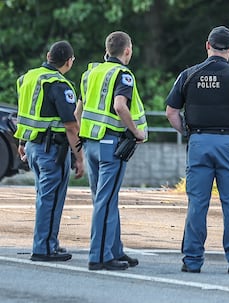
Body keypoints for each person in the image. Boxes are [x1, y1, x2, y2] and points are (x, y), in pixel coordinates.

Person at [165, 25, 229, 274]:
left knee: (197, 203)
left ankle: (192, 261)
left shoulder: (188, 75)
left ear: (207, 45)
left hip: (198, 142)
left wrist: (188, 133)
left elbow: (171, 112)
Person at [78, 31, 147, 270]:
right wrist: (136, 131)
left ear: (107, 50)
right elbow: (120, 106)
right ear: (127, 51)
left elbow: (79, 109)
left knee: (105, 199)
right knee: (106, 202)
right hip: (111, 146)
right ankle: (99, 256)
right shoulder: (123, 74)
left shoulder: (90, 73)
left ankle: (115, 250)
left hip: (91, 144)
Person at [14, 40, 85, 262]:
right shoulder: (59, 84)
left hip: (33, 146)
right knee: (51, 200)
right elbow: (71, 126)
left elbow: (26, 111)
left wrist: (22, 141)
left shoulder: (28, 78)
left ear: (48, 56)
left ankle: (49, 243)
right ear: (69, 61)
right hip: (51, 150)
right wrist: (80, 157)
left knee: (45, 198)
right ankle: (44, 248)